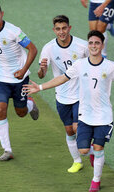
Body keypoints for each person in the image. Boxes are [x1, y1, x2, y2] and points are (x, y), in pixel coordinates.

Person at [23, 30, 114, 192]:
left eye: (97, 43)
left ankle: (96, 180)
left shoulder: (110, 66)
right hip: (85, 116)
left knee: (99, 148)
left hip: (103, 117)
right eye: (91, 43)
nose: (93, 46)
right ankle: (95, 154)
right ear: (88, 45)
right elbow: (62, 78)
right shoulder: (80, 65)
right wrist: (41, 87)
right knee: (83, 150)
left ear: (102, 45)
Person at [0, 1, 39, 161]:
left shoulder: (14, 31)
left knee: (20, 113)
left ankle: (30, 104)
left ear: (2, 14)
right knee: (0, 110)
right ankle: (7, 150)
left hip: (19, 79)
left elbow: (33, 49)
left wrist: (23, 70)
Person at [38, 15, 89, 173]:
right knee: (69, 131)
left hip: (80, 95)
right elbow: (41, 75)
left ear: (69, 28)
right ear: (54, 30)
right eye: (58, 29)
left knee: (76, 128)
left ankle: (95, 152)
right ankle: (77, 161)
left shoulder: (82, 46)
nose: (61, 32)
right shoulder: (48, 48)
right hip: (61, 96)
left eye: (64, 28)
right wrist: (42, 69)